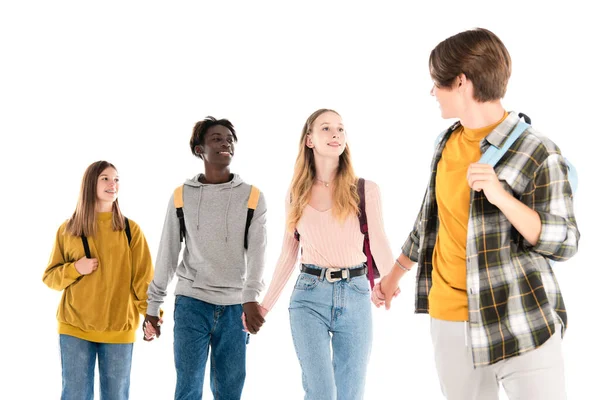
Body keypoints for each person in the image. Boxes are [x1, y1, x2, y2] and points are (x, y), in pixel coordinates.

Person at [375, 28, 580, 400]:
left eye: (437, 83)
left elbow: (565, 242)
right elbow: (428, 222)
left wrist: (502, 196)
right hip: (450, 322)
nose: (432, 92)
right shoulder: (446, 142)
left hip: (520, 319)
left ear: (461, 81)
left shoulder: (538, 151)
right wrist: (392, 277)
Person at [254, 108, 395, 400]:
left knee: (350, 392)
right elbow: (288, 254)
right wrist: (264, 307)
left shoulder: (365, 189)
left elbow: (379, 241)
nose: (336, 135)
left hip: (355, 295)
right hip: (309, 296)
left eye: (341, 129)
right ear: (309, 140)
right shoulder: (295, 195)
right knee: (321, 391)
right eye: (327, 128)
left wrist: (390, 283)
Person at [143, 116, 267, 400]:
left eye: (229, 140)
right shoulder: (181, 196)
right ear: (199, 149)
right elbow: (168, 252)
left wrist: (250, 298)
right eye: (217, 139)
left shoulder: (253, 197)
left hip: (236, 308)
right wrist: (154, 306)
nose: (225, 144)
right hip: (191, 304)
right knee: (187, 388)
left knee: (229, 392)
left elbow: (259, 253)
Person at [42, 160, 155, 400]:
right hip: (75, 328)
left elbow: (143, 282)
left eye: (116, 179)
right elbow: (50, 278)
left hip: (118, 328)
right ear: (90, 183)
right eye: (105, 178)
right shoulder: (68, 229)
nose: (112, 184)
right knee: (75, 395)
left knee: (116, 396)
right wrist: (75, 268)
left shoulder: (130, 230)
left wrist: (153, 316)